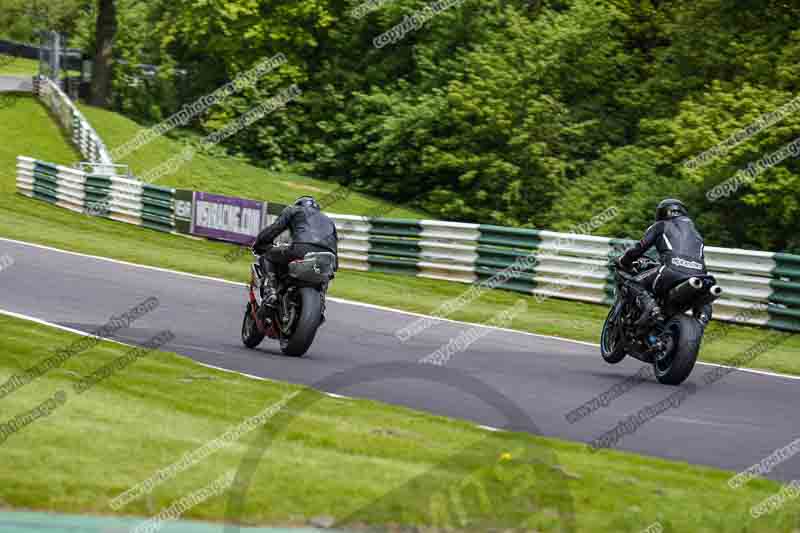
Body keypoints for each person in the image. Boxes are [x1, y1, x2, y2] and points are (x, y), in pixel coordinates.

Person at [615, 198, 712, 332]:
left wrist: (624, 260)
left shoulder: (661, 225)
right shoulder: (696, 233)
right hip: (700, 276)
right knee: (704, 297)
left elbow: (640, 247)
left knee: (632, 283)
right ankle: (702, 318)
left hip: (670, 270)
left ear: (662, 213)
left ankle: (652, 308)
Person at [251, 196, 338, 310]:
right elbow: (334, 248)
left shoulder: (293, 209)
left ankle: (270, 290)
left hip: (301, 249)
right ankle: (320, 301)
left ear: (299, 204)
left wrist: (260, 244)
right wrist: (334, 266)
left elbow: (274, 229)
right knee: (327, 274)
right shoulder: (329, 220)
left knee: (267, 255)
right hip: (328, 257)